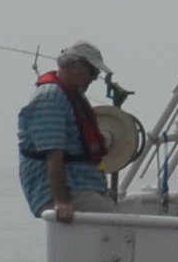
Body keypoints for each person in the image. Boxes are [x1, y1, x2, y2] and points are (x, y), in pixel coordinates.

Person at [20, 41, 117, 219]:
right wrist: (61, 201)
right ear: (74, 65)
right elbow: (53, 153)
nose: (94, 77)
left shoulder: (74, 95)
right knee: (121, 226)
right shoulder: (50, 98)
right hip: (65, 191)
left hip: (85, 186)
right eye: (93, 71)